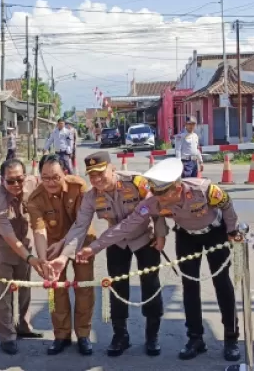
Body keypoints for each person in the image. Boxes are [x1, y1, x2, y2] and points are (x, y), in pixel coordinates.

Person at [78, 158, 241, 361]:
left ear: (178, 188)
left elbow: (227, 205)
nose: (159, 200)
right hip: (186, 236)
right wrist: (93, 248)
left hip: (215, 233)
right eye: (155, 193)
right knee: (189, 286)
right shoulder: (153, 201)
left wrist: (233, 229)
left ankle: (231, 338)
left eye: (163, 194)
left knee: (222, 284)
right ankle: (195, 338)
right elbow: (126, 226)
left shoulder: (204, 190)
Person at [48, 151, 166, 357]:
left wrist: (161, 232)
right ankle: (120, 336)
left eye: (101, 173)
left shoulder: (136, 182)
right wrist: (64, 256)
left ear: (112, 168)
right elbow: (80, 226)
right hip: (117, 243)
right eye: (92, 176)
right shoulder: (91, 196)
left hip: (145, 239)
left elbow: (155, 208)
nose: (96, 179)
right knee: (117, 289)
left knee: (151, 286)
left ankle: (152, 335)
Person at [27, 154, 94, 355]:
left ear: (64, 173)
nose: (51, 182)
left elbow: (81, 224)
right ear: (39, 177)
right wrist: (42, 260)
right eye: (45, 177)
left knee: (84, 288)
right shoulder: (35, 199)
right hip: (52, 246)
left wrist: (65, 249)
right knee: (55, 289)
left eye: (55, 176)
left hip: (82, 242)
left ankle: (83, 335)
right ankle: (61, 335)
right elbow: (39, 231)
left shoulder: (79, 186)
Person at [0, 158, 46, 355]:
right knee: (2, 292)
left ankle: (24, 326)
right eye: (10, 181)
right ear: (2, 180)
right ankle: (7, 335)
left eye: (19, 179)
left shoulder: (33, 183)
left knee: (25, 287)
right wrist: (31, 259)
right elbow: (8, 236)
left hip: (23, 241)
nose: (16, 184)